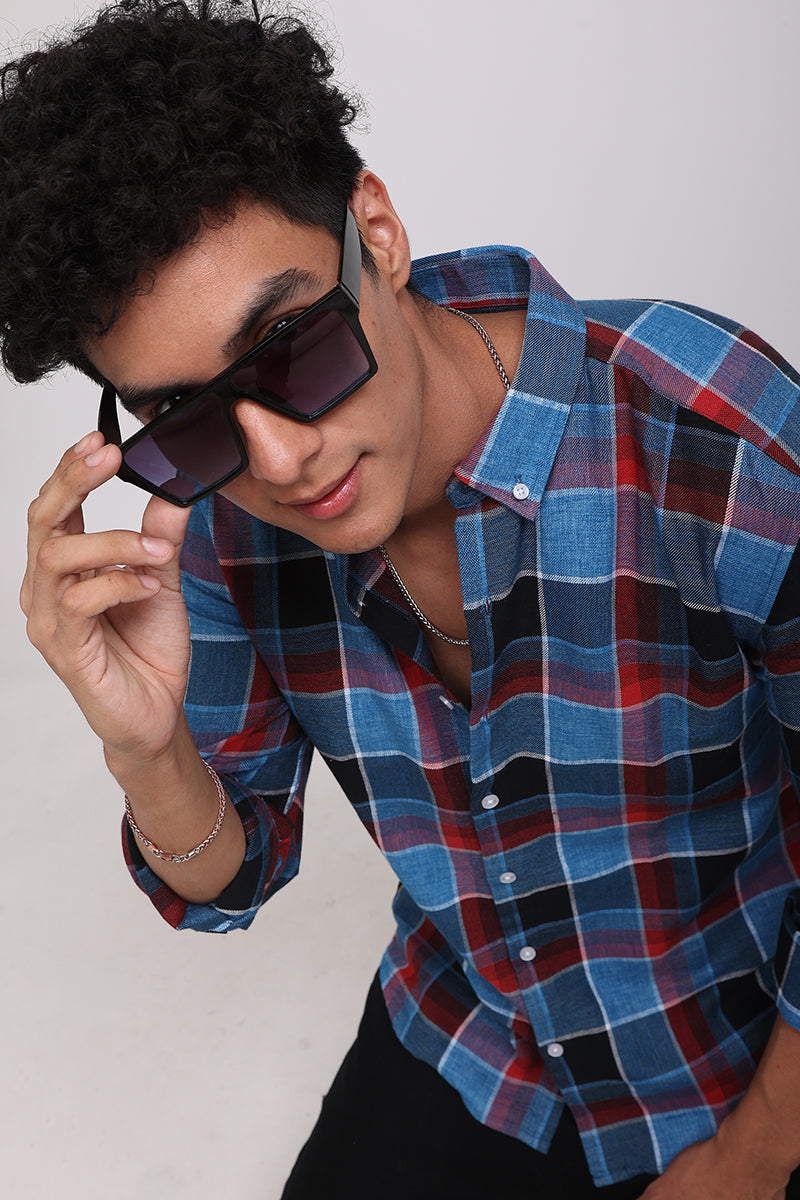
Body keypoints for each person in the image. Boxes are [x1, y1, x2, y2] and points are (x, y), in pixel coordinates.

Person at [6, 1, 800, 1195]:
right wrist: (146, 749)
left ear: (375, 232)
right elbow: (233, 876)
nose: (279, 460)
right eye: (186, 415)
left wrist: (754, 1155)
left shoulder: (706, 429)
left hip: (741, 1051)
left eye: (293, 345)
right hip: (476, 1036)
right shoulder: (217, 527)